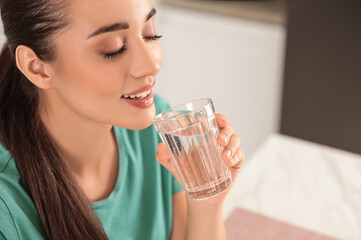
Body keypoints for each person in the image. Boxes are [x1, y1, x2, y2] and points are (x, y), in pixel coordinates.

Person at [0, 0, 244, 239]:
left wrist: (206, 203)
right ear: (37, 68)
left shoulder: (159, 130)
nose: (151, 65)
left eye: (150, 34)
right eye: (113, 49)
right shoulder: (7, 209)